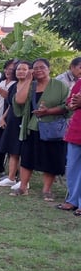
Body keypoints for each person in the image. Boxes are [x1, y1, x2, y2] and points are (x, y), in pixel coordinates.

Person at [10, 58, 69, 200]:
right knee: (27, 158)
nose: (38, 70)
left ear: (49, 69)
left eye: (42, 67)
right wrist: (28, 80)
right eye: (35, 68)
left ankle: (46, 190)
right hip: (32, 127)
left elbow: (66, 106)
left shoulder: (60, 86)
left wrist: (48, 111)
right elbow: (19, 101)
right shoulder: (31, 85)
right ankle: (23, 187)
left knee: (50, 158)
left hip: (52, 128)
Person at [0, 61, 26, 188]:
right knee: (12, 150)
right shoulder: (14, 86)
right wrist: (3, 117)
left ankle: (24, 181)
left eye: (24, 69)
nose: (20, 71)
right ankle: (11, 177)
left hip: (24, 121)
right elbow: (11, 104)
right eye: (18, 69)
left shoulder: (32, 86)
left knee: (23, 152)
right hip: (12, 120)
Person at [59, 78, 81, 215]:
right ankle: (73, 200)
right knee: (72, 167)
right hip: (77, 130)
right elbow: (69, 102)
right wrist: (72, 104)